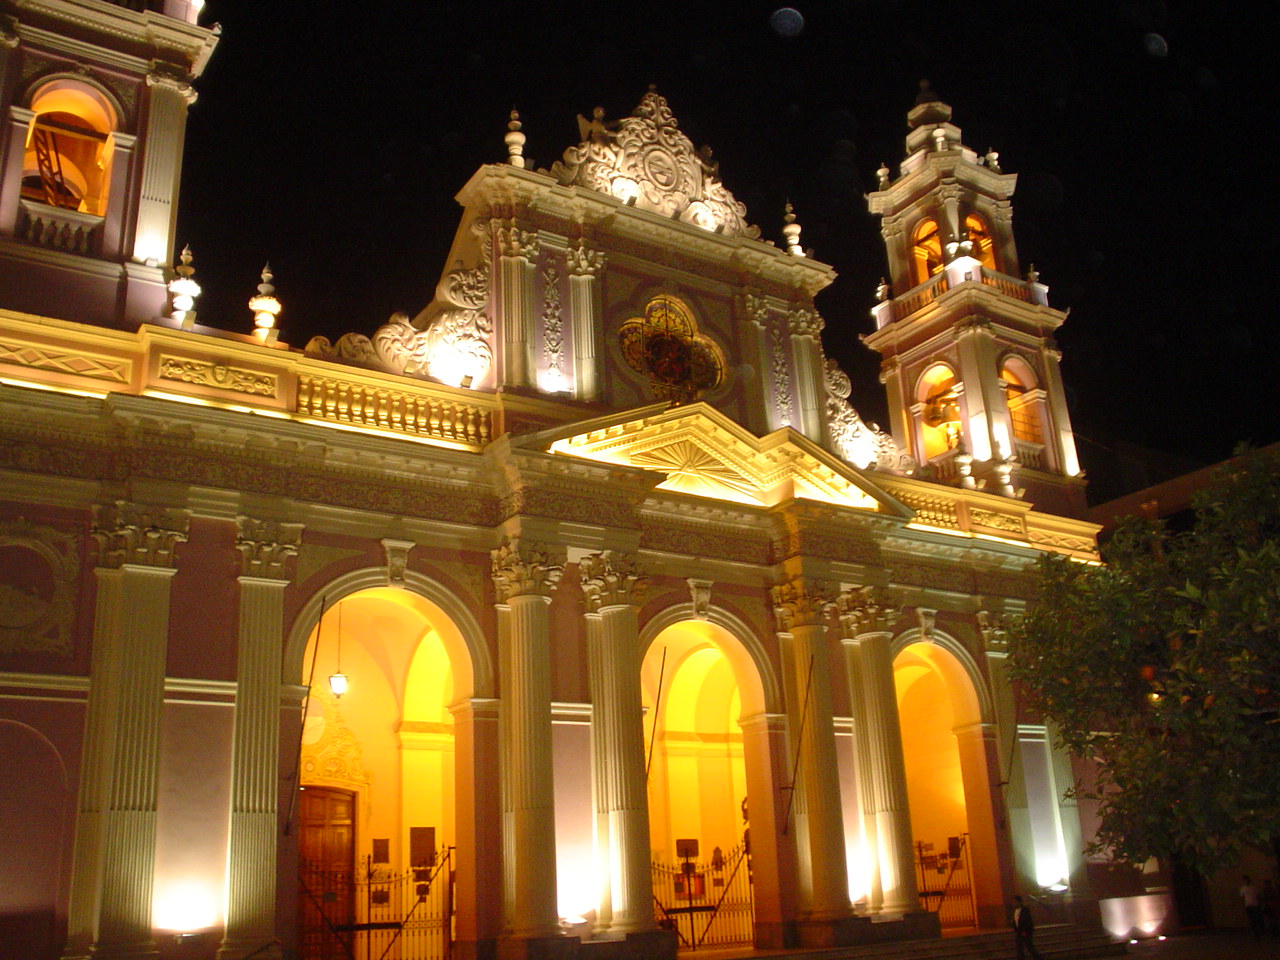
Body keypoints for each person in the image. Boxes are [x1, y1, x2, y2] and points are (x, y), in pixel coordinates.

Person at [1012, 895, 1043, 960]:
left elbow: (1027, 920)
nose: (1014, 903)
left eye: (1015, 902)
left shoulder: (1025, 910)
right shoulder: (1015, 910)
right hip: (1019, 931)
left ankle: (1037, 958)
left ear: (1019, 902)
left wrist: (1025, 931)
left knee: (1029, 947)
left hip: (1025, 932)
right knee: (1019, 947)